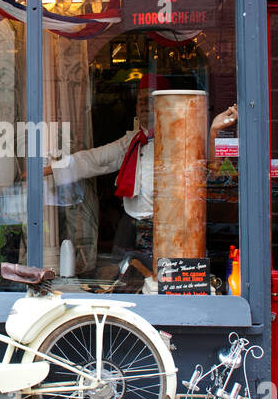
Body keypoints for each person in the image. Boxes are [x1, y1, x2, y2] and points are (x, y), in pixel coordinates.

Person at [46, 79, 238, 265]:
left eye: (152, 100)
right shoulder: (132, 142)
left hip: (170, 228)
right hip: (131, 225)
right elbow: (93, 160)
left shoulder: (187, 140)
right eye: (141, 100)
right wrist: (50, 170)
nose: (145, 105)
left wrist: (214, 133)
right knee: (121, 275)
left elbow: (215, 174)